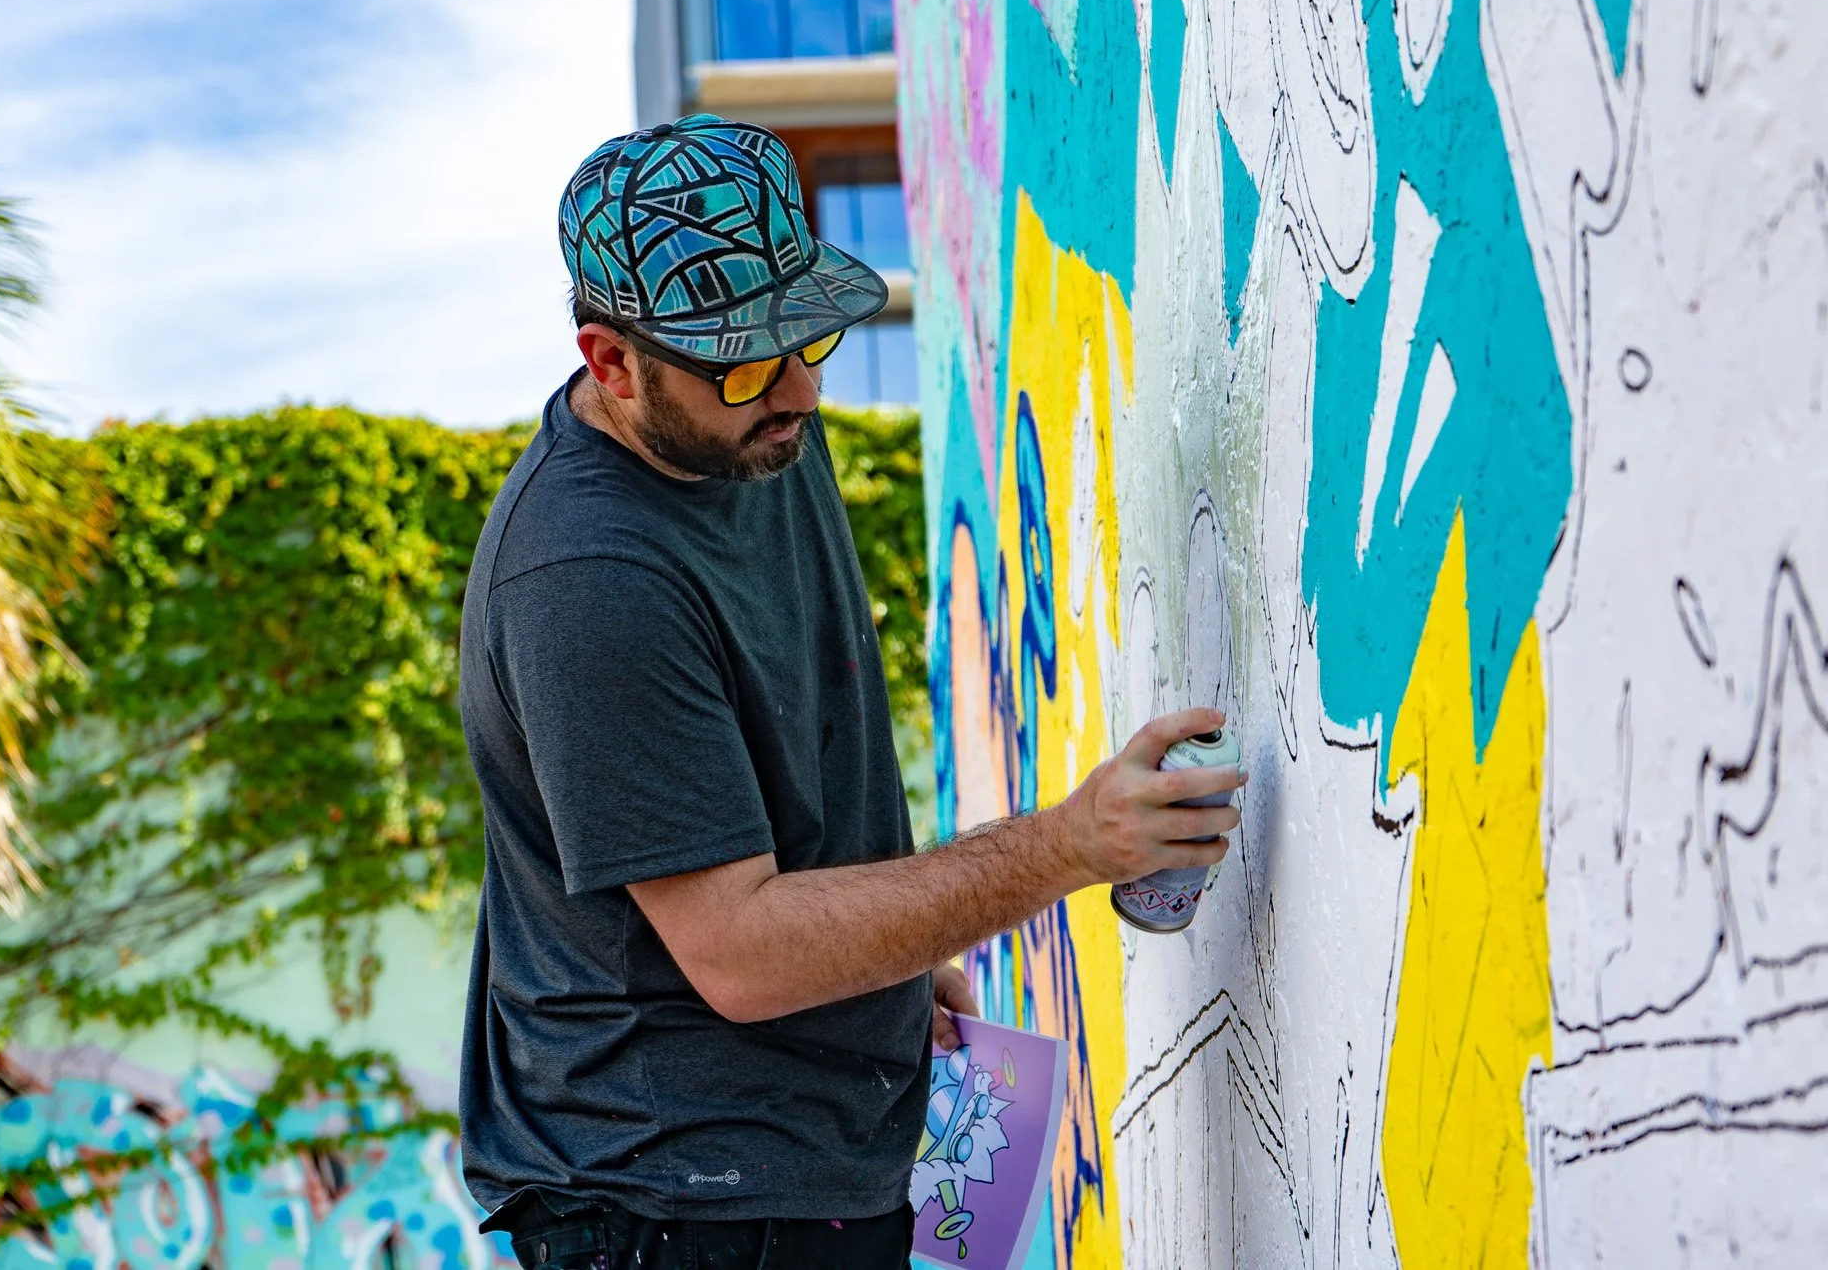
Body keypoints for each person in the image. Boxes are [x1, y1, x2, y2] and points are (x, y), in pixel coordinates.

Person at [456, 115, 1245, 1270]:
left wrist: (892, 958)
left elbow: (791, 745)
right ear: (610, 363)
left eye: (807, 339)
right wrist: (1069, 845)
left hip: (811, 1160)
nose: (797, 392)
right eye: (740, 362)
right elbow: (739, 952)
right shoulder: (585, 581)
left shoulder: (755, 424)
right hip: (673, 1207)